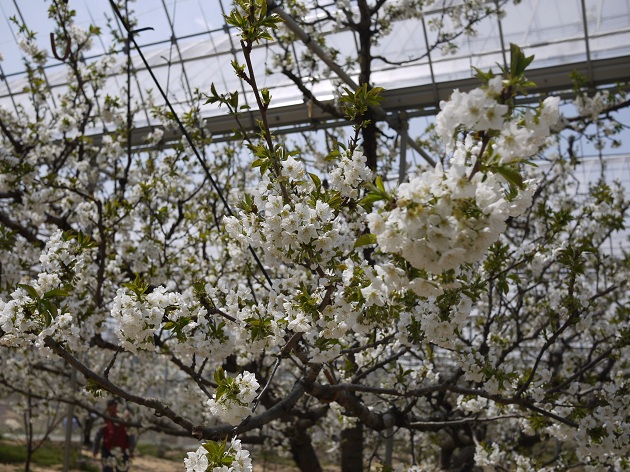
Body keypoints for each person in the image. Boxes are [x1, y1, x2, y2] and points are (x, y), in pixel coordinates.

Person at [92, 399, 130, 472]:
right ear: (108, 408)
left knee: (122, 469)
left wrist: (130, 449)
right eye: (112, 406)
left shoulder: (122, 419)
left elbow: (128, 434)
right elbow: (98, 436)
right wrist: (95, 450)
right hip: (108, 450)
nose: (114, 408)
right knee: (107, 469)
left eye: (115, 406)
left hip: (122, 450)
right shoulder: (104, 420)